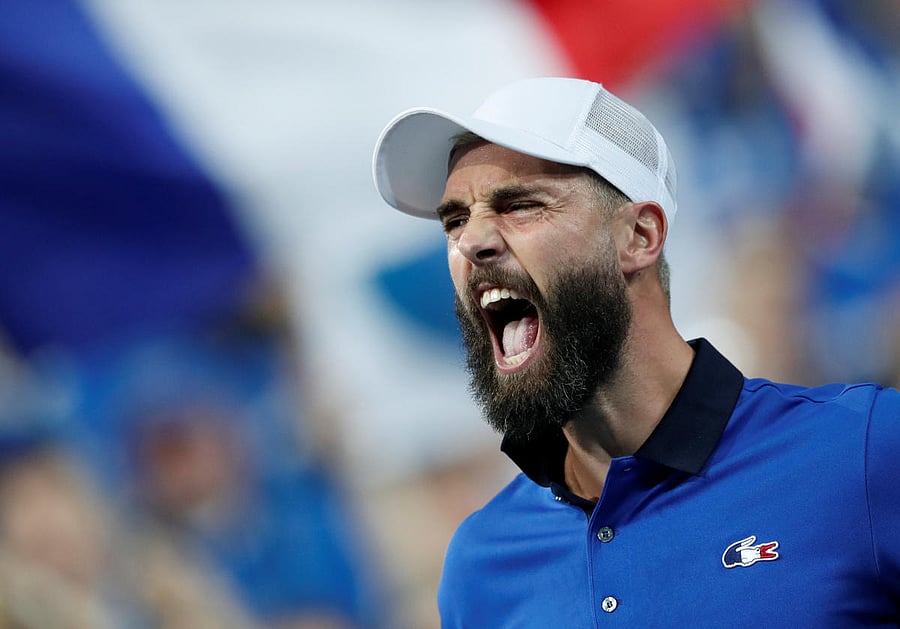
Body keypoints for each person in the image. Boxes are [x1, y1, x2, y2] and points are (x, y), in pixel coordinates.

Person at [372, 77, 900, 627]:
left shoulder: (865, 451)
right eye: (456, 220)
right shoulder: (482, 567)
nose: (471, 242)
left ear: (641, 236)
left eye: (521, 206)